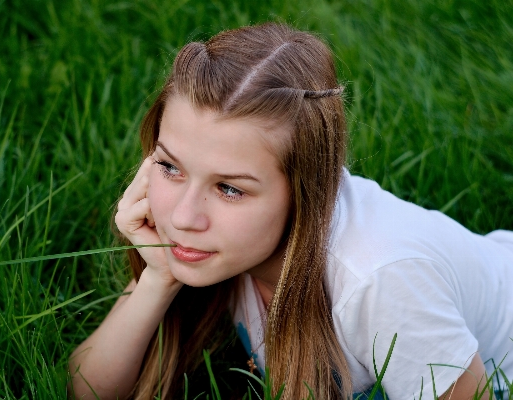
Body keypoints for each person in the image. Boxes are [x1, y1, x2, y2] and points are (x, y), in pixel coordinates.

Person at [68, 23, 513, 400]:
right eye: (169, 167)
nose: (184, 218)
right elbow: (85, 389)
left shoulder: (379, 282)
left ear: (307, 190)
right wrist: (159, 277)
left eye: (229, 189)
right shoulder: (218, 241)